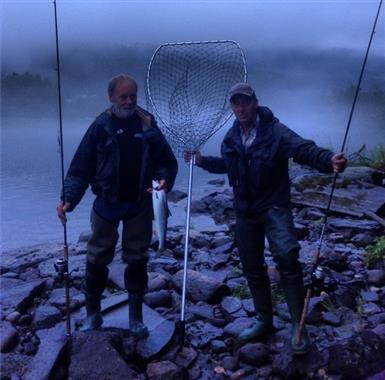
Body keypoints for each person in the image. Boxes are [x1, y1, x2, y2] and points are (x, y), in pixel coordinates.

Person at [185, 83, 347, 355]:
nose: (241, 108)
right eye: (236, 103)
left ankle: (298, 324)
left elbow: (303, 149)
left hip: (273, 206)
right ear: (232, 106)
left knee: (287, 256)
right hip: (245, 210)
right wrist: (202, 161)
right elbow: (227, 164)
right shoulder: (232, 136)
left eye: (246, 102)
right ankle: (264, 320)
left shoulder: (276, 132)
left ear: (255, 103)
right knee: (251, 265)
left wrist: (329, 160)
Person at [57, 74, 177, 337]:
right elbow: (80, 168)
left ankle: (136, 318)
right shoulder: (100, 127)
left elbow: (166, 161)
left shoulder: (148, 125)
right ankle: (92, 314)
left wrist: (165, 180)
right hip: (106, 203)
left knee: (137, 258)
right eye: (123, 96)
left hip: (139, 204)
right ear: (111, 98)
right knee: (97, 257)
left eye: (133, 95)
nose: (129, 101)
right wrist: (68, 199)